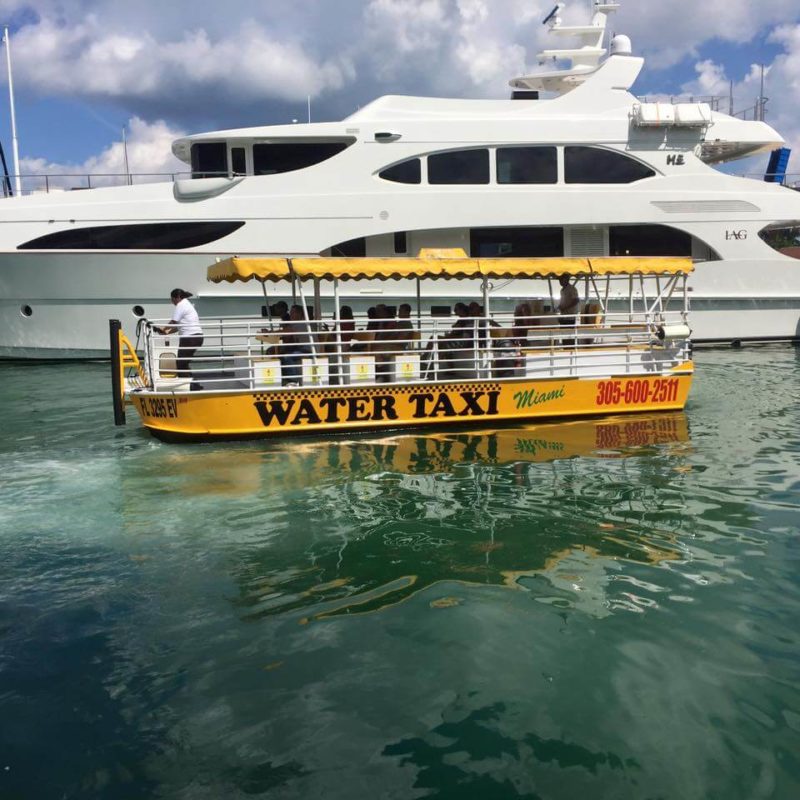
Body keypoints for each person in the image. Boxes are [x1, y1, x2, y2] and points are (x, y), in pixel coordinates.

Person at [155, 289, 204, 389]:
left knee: (181, 363)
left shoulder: (181, 305)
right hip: (196, 337)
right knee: (183, 362)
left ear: (177, 297)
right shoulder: (186, 304)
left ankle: (188, 386)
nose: (171, 301)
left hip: (190, 338)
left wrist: (163, 329)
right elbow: (179, 326)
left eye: (172, 299)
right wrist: (167, 332)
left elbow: (173, 321)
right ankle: (193, 384)